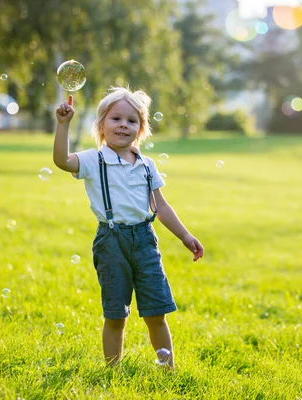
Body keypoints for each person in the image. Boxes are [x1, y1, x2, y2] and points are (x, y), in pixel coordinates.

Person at [53, 87, 204, 369]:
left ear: (141, 128)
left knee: (156, 311)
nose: (123, 125)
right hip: (111, 241)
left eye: (132, 120)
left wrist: (185, 235)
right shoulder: (92, 160)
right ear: (101, 125)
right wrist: (63, 125)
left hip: (145, 241)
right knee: (115, 314)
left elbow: (161, 206)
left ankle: (167, 370)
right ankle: (113, 369)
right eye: (116, 119)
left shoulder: (147, 165)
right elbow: (62, 161)